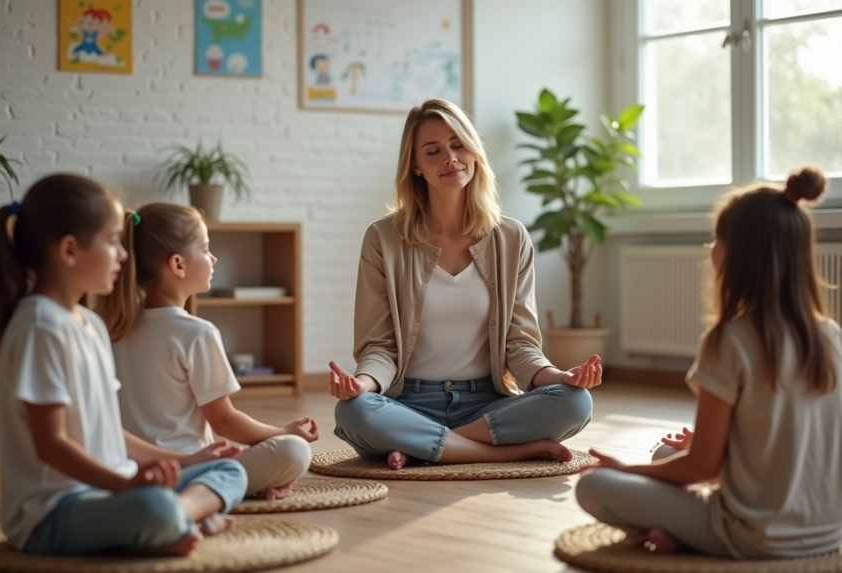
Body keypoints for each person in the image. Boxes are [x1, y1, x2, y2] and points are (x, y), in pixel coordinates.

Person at [577, 167, 842, 559]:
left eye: (718, 238)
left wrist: (624, 470)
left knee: (593, 485)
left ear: (741, 255)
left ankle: (687, 536)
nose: (709, 248)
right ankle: (681, 532)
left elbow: (703, 468)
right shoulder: (830, 335)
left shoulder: (729, 339)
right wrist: (719, 446)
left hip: (752, 536)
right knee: (665, 454)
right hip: (828, 532)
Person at [0, 174, 247, 556]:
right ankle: (176, 516)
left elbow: (110, 432)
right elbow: (51, 445)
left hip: (111, 489)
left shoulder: (91, 324)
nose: (123, 255)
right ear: (69, 250)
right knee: (152, 506)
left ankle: (179, 516)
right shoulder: (39, 327)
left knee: (229, 470)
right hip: (54, 512)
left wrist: (186, 459)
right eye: (112, 242)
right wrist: (125, 485)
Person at [329, 98, 600, 471]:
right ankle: (502, 451)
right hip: (408, 402)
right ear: (415, 165)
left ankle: (424, 445)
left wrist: (561, 376)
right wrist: (362, 385)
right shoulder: (383, 239)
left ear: (473, 152)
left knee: (576, 402)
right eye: (433, 151)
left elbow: (520, 344)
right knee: (353, 411)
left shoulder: (511, 238)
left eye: (458, 145)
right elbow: (380, 345)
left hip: (486, 403)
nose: (450, 158)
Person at [95, 202, 315, 501]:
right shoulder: (197, 332)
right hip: (189, 469)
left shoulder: (109, 328)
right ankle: (211, 491)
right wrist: (283, 432)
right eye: (206, 249)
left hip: (129, 469)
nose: (213, 258)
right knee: (294, 449)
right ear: (178, 265)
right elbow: (224, 421)